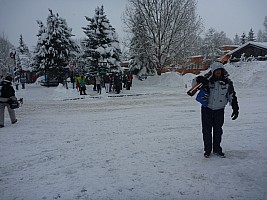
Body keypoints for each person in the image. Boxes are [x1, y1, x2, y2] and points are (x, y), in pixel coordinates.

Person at [193, 62, 239, 158]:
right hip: (207, 109)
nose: (218, 72)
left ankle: (217, 149)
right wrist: (198, 79)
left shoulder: (227, 82)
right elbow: (194, 85)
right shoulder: (206, 81)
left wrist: (235, 108)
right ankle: (207, 150)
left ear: (222, 71)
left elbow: (232, 96)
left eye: (220, 70)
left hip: (219, 110)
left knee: (218, 131)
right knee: (206, 131)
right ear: (213, 71)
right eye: (216, 70)